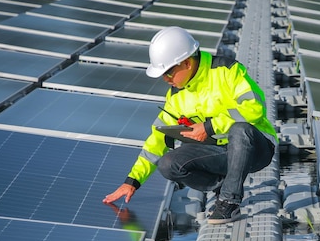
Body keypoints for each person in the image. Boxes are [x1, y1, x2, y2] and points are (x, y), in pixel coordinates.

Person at [103, 26, 277, 224]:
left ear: (186, 63)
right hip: (221, 154)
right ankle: (225, 186)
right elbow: (157, 138)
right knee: (168, 164)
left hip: (256, 147)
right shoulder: (176, 97)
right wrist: (132, 181)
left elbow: (253, 108)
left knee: (240, 129)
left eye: (168, 72)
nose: (165, 79)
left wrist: (209, 127)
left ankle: (230, 201)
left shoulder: (227, 71)